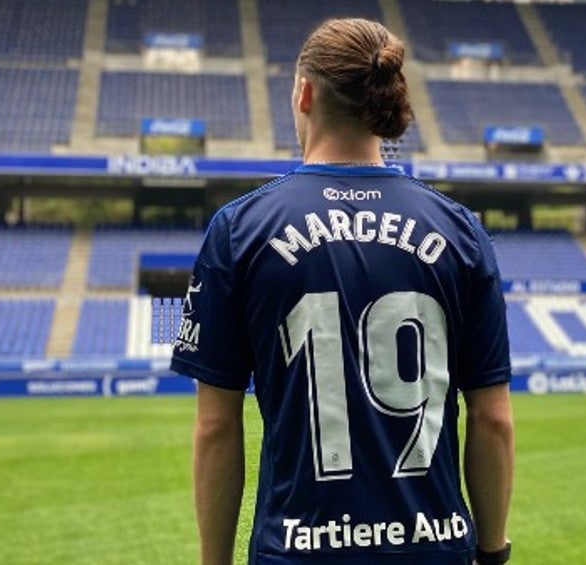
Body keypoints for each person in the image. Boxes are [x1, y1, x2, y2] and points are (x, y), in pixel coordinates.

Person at [170, 18, 514, 565]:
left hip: (298, 550)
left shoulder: (240, 229)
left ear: (304, 93)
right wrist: (493, 551)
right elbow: (493, 418)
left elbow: (215, 426)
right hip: (435, 551)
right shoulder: (460, 231)